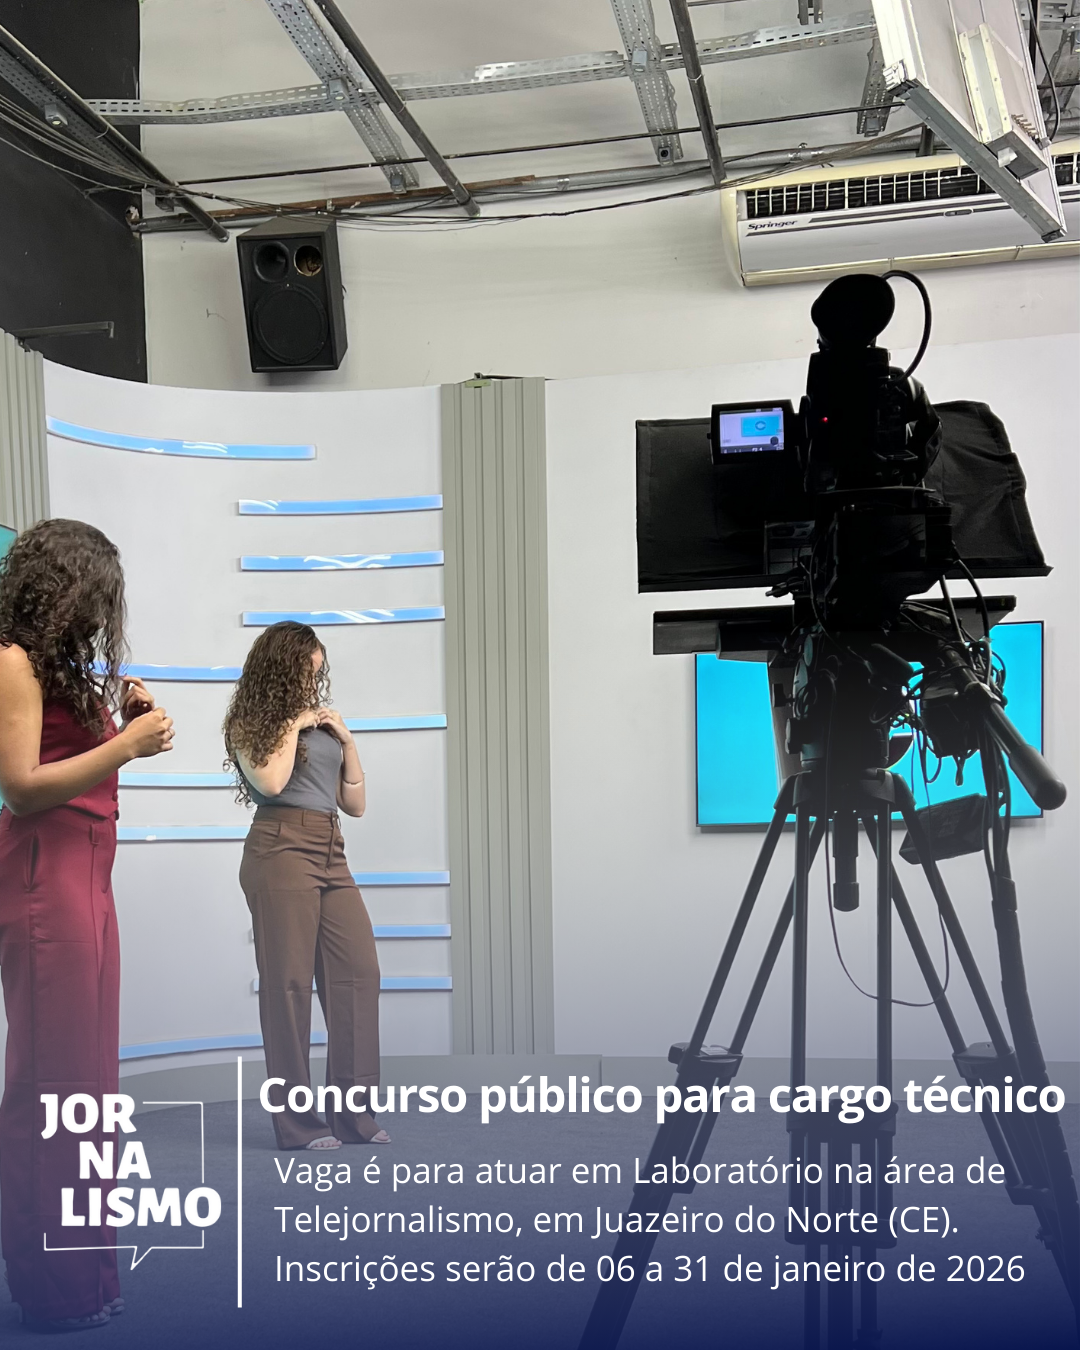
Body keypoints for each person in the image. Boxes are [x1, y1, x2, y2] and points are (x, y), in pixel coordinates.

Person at [0, 518, 174, 1331]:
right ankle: (54, 1289)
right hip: (48, 880)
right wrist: (126, 745)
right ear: (61, 586)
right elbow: (22, 786)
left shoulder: (60, 667)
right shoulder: (11, 660)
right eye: (98, 594)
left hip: (89, 880)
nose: (106, 612)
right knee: (52, 1087)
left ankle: (90, 1277)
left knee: (90, 1089)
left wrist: (123, 718)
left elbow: (72, 757)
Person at [223, 621, 387, 1151]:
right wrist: (295, 723)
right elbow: (271, 782)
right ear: (281, 669)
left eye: (317, 673)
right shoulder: (253, 722)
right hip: (280, 848)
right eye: (305, 672)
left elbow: (354, 804)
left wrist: (347, 740)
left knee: (358, 975)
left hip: (329, 846)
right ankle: (298, 1124)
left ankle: (353, 1117)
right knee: (288, 987)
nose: (313, 683)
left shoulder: (322, 726)